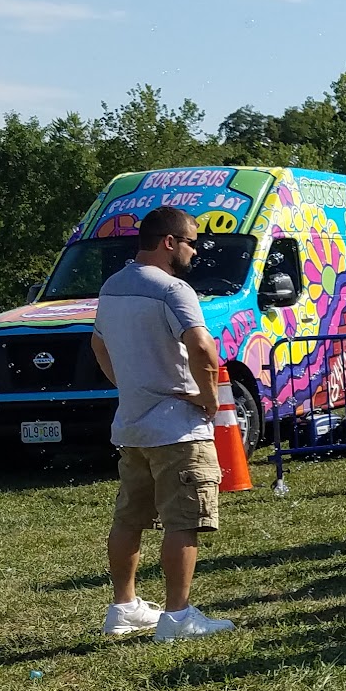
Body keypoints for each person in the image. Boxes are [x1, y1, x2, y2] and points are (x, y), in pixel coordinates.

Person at [89, 206, 236, 641]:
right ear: (169, 242)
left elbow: (98, 346)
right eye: (191, 242)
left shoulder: (112, 286)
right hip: (178, 430)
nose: (195, 251)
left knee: (129, 519)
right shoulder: (174, 289)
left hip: (132, 426)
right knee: (183, 521)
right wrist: (209, 398)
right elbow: (203, 347)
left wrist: (130, 386)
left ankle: (124, 608)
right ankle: (177, 617)